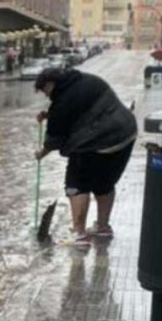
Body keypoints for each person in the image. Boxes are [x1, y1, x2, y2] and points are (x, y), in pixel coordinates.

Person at [33, 67, 137, 245]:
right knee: (104, 183)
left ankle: (79, 233)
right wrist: (49, 115)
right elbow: (82, 107)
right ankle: (103, 228)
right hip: (126, 135)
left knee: (76, 184)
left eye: (44, 90)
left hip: (96, 141)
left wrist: (41, 153)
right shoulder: (88, 79)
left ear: (50, 83)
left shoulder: (62, 103)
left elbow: (54, 140)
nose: (45, 95)